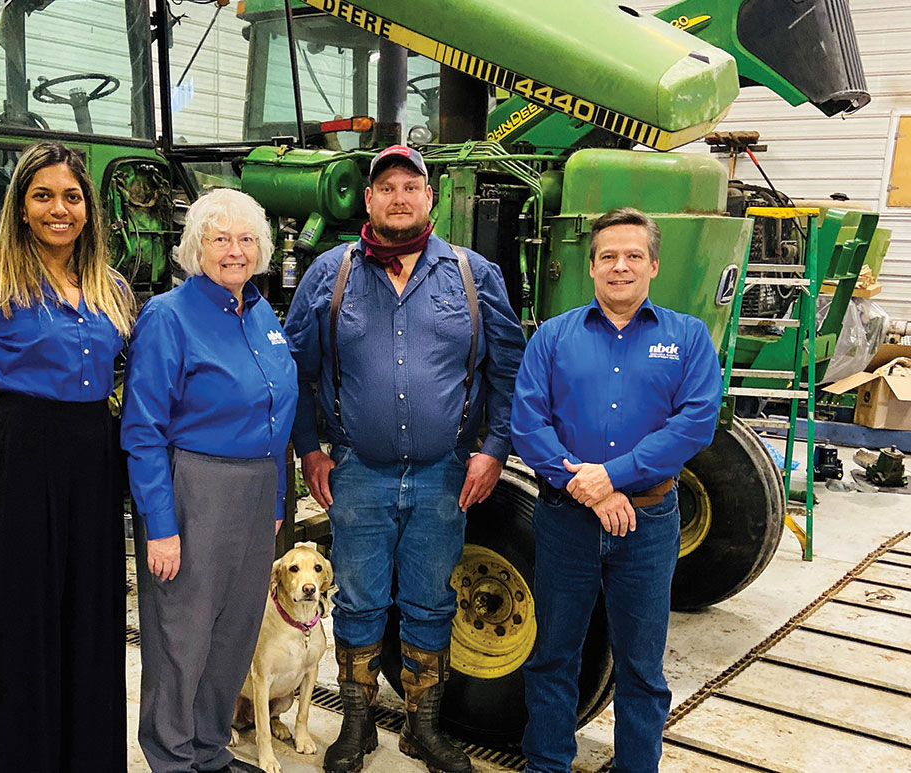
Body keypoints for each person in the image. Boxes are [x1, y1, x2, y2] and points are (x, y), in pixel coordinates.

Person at [285, 145, 525, 773]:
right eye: (385, 187)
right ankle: (358, 724)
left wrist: (495, 450)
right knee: (359, 599)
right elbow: (296, 372)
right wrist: (310, 448)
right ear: (368, 200)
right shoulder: (330, 273)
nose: (398, 196)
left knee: (430, 600)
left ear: (430, 198)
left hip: (445, 472)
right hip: (357, 471)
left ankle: (423, 727)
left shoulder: (474, 276)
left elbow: (509, 370)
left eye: (409, 186)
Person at [0, 141, 136, 772]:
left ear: (90, 209)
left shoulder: (111, 288)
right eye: (44, 196)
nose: (60, 209)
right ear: (21, 208)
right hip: (20, 450)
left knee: (91, 612)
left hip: (92, 452)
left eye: (72, 197)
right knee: (20, 620)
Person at [510, 207, 722, 773]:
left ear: (653, 265)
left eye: (632, 256)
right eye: (608, 256)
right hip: (566, 520)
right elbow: (528, 424)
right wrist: (591, 487)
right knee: (553, 656)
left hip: (648, 527)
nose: (620, 267)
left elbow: (695, 423)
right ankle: (546, 764)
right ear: (592, 267)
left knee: (641, 668)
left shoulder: (688, 337)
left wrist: (616, 474)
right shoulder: (553, 338)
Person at [121, 188, 298, 773]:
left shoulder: (263, 314)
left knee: (235, 631)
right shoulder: (168, 317)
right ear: (196, 248)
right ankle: (171, 757)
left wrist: (275, 497)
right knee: (182, 636)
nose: (235, 251)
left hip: (256, 491)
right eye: (220, 239)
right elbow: (142, 429)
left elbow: (280, 416)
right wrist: (161, 526)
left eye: (247, 239)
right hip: (195, 487)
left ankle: (209, 748)